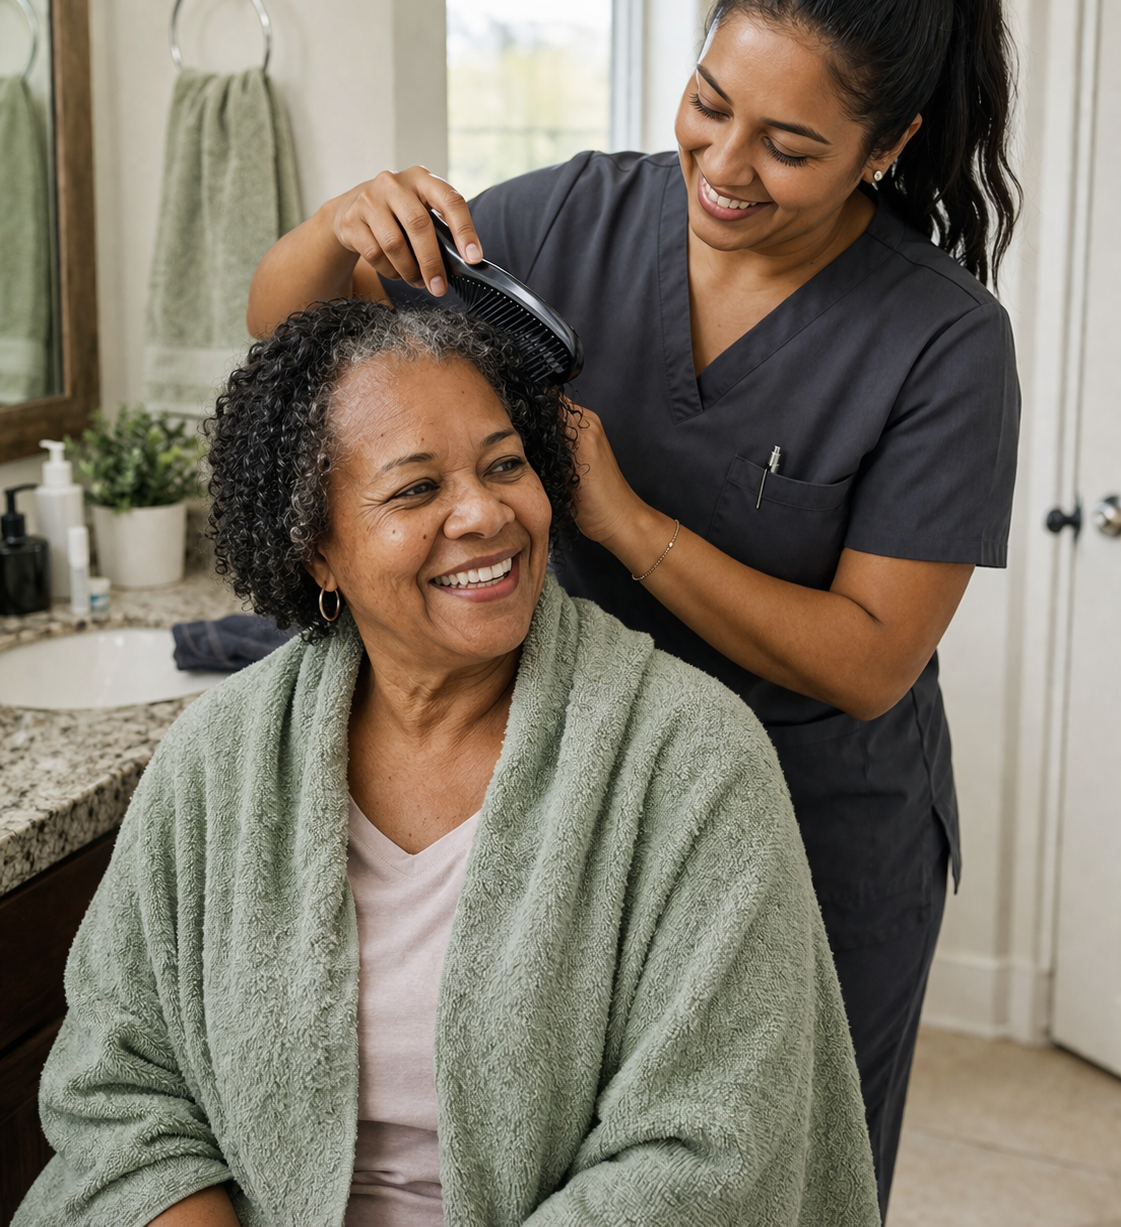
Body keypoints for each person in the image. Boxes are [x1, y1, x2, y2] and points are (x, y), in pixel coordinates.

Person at [246, 0, 1022, 1215]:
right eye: (710, 105)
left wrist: (620, 515)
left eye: (787, 145)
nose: (723, 167)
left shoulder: (943, 340)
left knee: (776, 1177)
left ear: (883, 148)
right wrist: (329, 232)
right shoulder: (566, 218)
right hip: (575, 801)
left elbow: (868, 659)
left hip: (815, 826)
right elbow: (288, 342)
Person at [15, 301, 880, 1227]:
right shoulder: (217, 761)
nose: (484, 514)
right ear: (318, 551)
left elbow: (709, 1150)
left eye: (505, 464)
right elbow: (119, 1086)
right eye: (415, 489)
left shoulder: (689, 762)